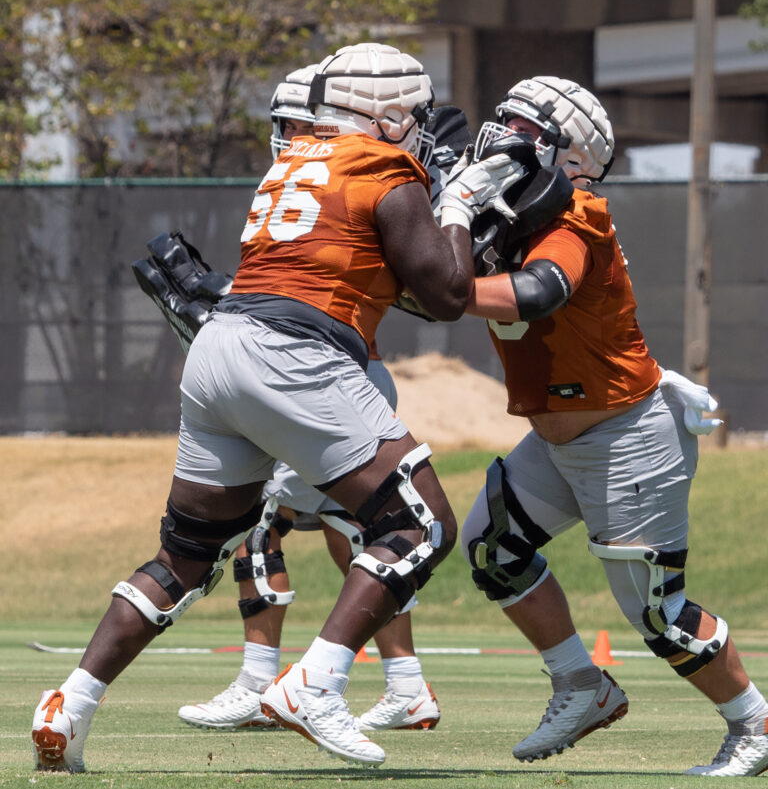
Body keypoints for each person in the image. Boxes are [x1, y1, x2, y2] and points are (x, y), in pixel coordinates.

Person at [31, 42, 526, 771]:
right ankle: (317, 685)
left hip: (220, 348)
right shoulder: (385, 169)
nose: (421, 128)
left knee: (185, 556)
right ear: (385, 114)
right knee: (420, 525)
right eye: (414, 115)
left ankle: (70, 704)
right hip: (298, 355)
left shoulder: (291, 161)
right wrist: (455, 205)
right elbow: (448, 297)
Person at [459, 75, 768, 777]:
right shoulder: (505, 211)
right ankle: (581, 683)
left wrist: (448, 284)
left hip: (626, 434)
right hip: (558, 439)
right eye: (503, 117)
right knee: (491, 547)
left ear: (569, 156)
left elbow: (537, 291)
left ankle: (755, 722)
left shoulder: (576, 216)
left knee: (658, 613)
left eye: (527, 127)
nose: (504, 133)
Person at [175, 67, 440, 734]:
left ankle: (264, 680)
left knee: (267, 523)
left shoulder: (355, 174)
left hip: (321, 385)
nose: (297, 136)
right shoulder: (335, 174)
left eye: (304, 123)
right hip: (315, 379)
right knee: (357, 533)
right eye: (292, 125)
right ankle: (404, 684)